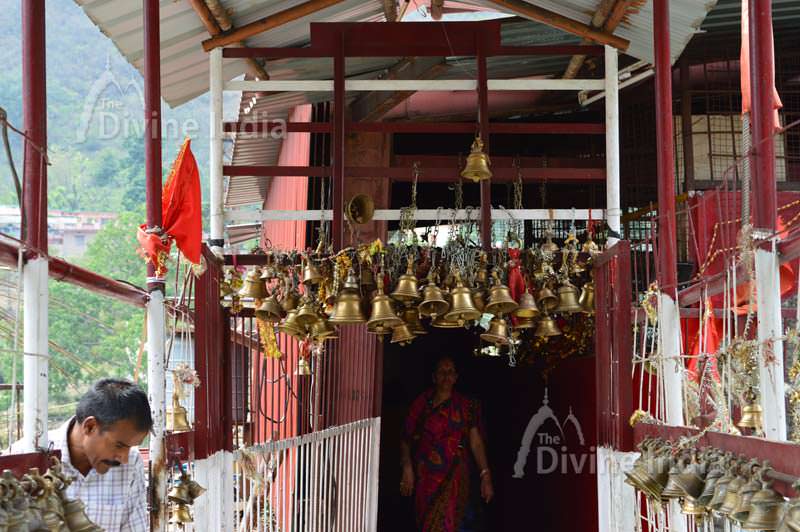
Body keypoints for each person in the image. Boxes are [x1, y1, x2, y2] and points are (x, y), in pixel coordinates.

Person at [15, 379, 152, 531]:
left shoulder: (132, 463)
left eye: (130, 447)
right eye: (119, 445)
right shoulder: (23, 456)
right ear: (90, 426)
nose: (124, 459)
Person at [400, 356, 494, 532]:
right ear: (434, 377)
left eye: (450, 372)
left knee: (456, 523)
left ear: (456, 378)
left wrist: (485, 475)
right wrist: (407, 467)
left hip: (455, 478)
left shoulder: (466, 406)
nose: (446, 376)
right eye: (442, 372)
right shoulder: (422, 403)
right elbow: (406, 439)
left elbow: (476, 443)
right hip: (426, 480)